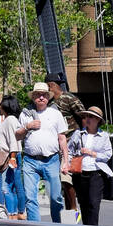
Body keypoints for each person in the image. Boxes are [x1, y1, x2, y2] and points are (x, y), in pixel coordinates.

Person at [16, 81, 70, 224]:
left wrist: (66, 161)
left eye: (44, 95)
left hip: (51, 160)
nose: (41, 97)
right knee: (30, 196)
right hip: (30, 160)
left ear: (48, 97)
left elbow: (62, 138)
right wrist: (27, 127)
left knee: (55, 197)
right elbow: (17, 136)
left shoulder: (55, 114)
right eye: (38, 95)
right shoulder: (25, 114)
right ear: (33, 97)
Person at [68, 107, 113, 226]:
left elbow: (108, 154)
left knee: (94, 202)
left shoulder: (104, 136)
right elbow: (70, 150)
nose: (87, 119)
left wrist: (93, 153)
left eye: (91, 117)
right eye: (86, 116)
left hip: (96, 172)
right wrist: (70, 161)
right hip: (80, 171)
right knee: (83, 201)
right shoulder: (78, 134)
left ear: (98, 120)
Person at [46, 72, 85, 215]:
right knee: (60, 182)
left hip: (70, 143)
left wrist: (84, 138)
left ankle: (74, 209)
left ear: (51, 85)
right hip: (54, 146)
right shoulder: (48, 102)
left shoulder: (69, 98)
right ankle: (68, 211)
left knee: (66, 177)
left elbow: (83, 117)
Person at [0, 95, 26, 220]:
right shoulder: (8, 119)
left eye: (1, 103)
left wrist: (12, 157)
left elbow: (13, 140)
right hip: (11, 155)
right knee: (15, 185)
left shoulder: (10, 120)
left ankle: (12, 213)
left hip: (9, 156)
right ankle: (20, 212)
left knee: (7, 187)